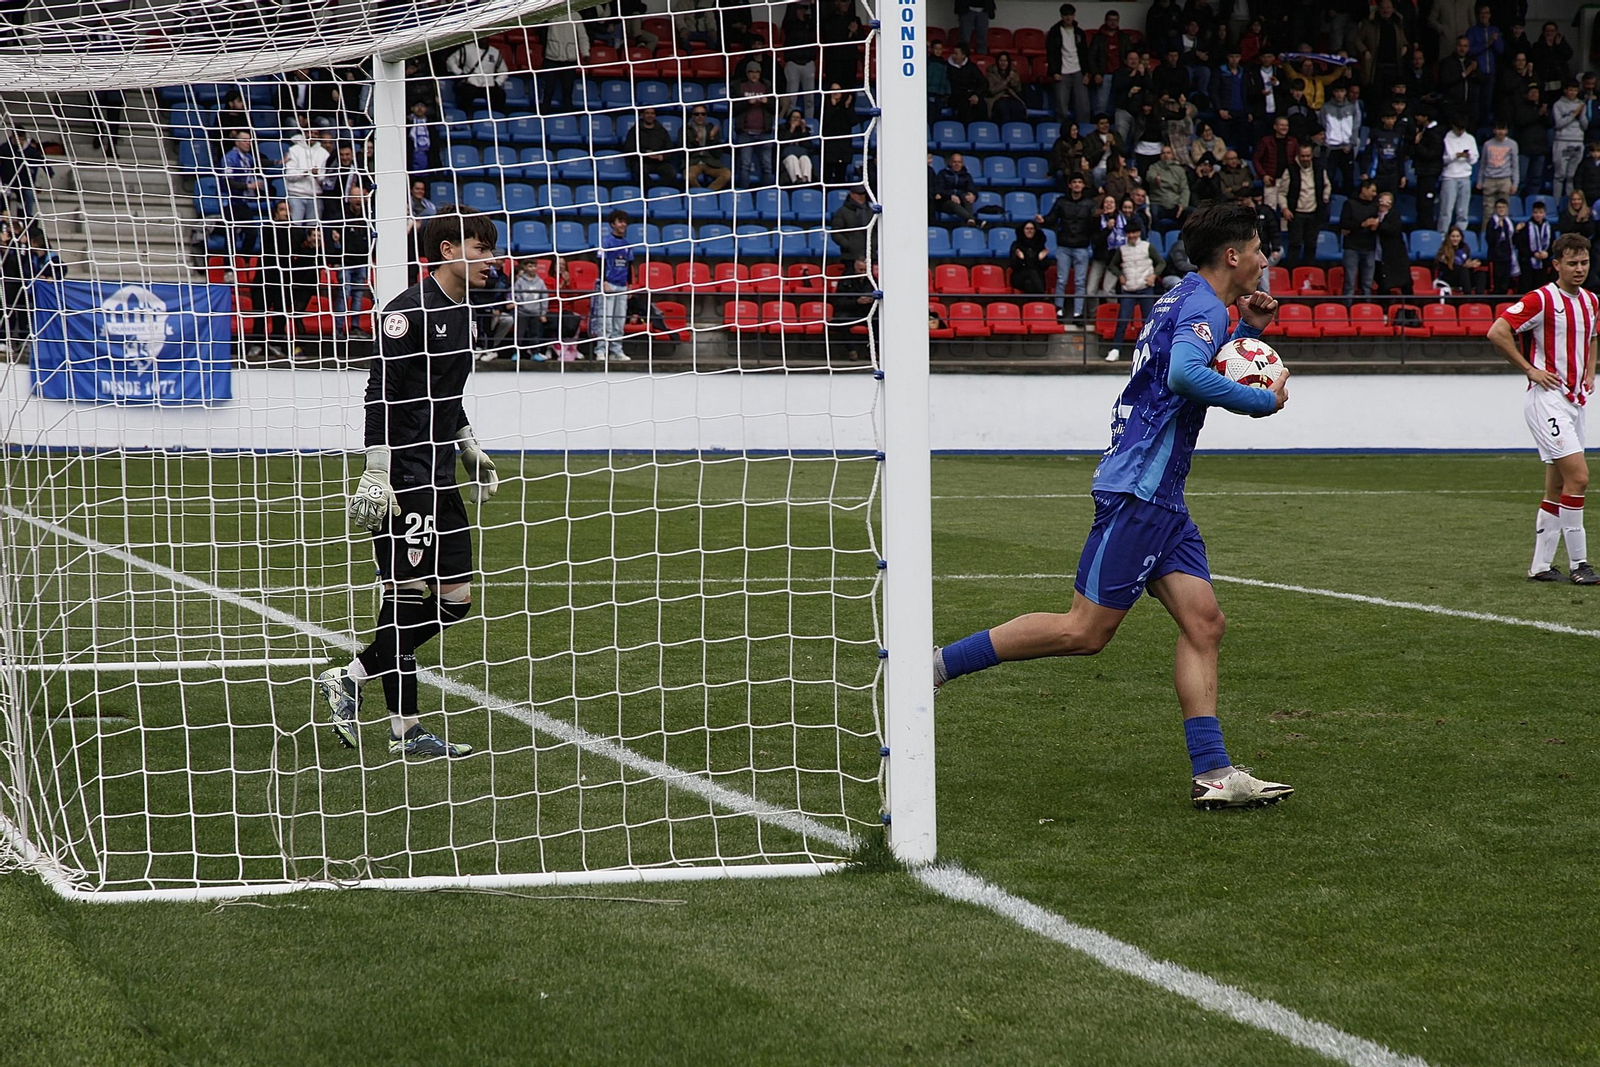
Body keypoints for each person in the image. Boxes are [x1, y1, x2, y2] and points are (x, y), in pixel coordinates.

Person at [931, 202, 1292, 810]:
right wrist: (1258, 403)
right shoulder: (1202, 304)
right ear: (1232, 255)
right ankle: (936, 666)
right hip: (1140, 491)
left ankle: (1213, 773)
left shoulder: (1186, 299)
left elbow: (1184, 366)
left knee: (1204, 622)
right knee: (1084, 631)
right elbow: (1182, 376)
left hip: (1163, 497)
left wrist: (1247, 333)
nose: (1264, 259)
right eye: (1258, 248)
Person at [317, 209, 502, 758]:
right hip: (404, 475)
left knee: (456, 599)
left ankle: (350, 676)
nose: (491, 261)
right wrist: (376, 469)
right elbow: (381, 392)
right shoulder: (406, 313)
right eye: (481, 248)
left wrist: (468, 445)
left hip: (441, 473)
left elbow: (446, 393)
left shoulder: (463, 312)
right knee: (402, 599)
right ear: (448, 251)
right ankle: (406, 732)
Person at [1485, 234, 1599, 584]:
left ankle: (1540, 567)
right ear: (1557, 265)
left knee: (1557, 487)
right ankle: (1580, 564)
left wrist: (1590, 371)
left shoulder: (1592, 302)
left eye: (1583, 262)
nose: (1579, 269)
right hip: (1545, 399)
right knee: (1579, 478)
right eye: (1571, 263)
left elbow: (1593, 336)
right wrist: (1530, 369)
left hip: (1574, 402)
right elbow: (1497, 330)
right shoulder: (1542, 299)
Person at [1103, 219, 1163, 361]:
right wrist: (1120, 276)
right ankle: (1115, 349)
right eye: (1128, 233)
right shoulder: (1121, 249)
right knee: (1122, 320)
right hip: (1128, 288)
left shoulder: (1147, 247)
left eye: (1134, 232)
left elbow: (1161, 262)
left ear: (1139, 233)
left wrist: (1154, 275)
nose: (1131, 235)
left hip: (1145, 287)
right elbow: (1113, 265)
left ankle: (1150, 352)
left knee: (1148, 322)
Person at [1281, 144, 1329, 267]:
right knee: (1295, 245)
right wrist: (1285, 208)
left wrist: (1325, 197)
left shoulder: (1320, 169)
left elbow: (1327, 185)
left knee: (1311, 245)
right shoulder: (1290, 170)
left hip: (1314, 214)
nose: (1305, 159)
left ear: (1312, 155)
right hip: (1296, 214)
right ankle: (1292, 274)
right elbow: (1281, 193)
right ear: (1298, 156)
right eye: (1302, 156)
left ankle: (1309, 274)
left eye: (1308, 156)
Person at [595, 209, 632, 362]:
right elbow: (600, 261)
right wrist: (603, 281)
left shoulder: (627, 244)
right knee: (606, 320)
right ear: (612, 224)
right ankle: (601, 350)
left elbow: (630, 265)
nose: (623, 224)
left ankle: (616, 350)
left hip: (622, 286)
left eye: (624, 221)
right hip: (609, 284)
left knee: (619, 320)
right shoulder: (605, 242)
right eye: (619, 221)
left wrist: (630, 284)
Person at [1046, 3, 1091, 125]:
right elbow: (1051, 54)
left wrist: (1086, 72)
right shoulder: (1054, 32)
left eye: (1070, 15)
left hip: (1078, 71)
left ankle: (1084, 133)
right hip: (1062, 72)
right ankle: (1063, 134)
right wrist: (1054, 71)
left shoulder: (1080, 33)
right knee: (1062, 108)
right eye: (1065, 15)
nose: (1068, 18)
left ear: (1074, 15)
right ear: (1061, 16)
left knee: (1084, 107)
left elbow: (1084, 54)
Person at [1339, 179, 1382, 295]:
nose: (1374, 194)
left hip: (1369, 248)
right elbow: (1344, 224)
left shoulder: (1375, 206)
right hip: (1352, 247)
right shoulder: (1349, 204)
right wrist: (1362, 224)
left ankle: (1367, 309)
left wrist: (1374, 226)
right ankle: (1347, 309)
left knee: (1368, 283)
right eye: (1372, 191)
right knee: (1350, 283)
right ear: (1364, 190)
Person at [446, 37, 509, 113]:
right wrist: (460, 73)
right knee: (465, 94)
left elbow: (504, 71)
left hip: (488, 85)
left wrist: (497, 82)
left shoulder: (495, 52)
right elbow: (450, 61)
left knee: (500, 94)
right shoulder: (467, 49)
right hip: (470, 83)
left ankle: (496, 118)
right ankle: (463, 117)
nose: (483, 40)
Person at [623, 106, 680, 187]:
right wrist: (645, 154)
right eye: (647, 113)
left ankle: (658, 189)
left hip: (659, 162)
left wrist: (661, 157)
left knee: (671, 173)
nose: (650, 115)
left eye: (652, 113)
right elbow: (629, 149)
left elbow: (670, 149)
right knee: (639, 171)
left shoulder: (662, 131)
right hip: (642, 161)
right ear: (642, 115)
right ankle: (651, 191)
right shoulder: (634, 130)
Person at [1439, 117, 1478, 235]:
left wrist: (1468, 156)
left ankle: (1461, 234)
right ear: (1453, 126)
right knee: (1446, 209)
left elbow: (1475, 158)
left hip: (1465, 176)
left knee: (1463, 210)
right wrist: (1456, 156)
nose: (1460, 132)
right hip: (1450, 176)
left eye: (1462, 129)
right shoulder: (1446, 138)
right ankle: (1442, 234)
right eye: (1458, 129)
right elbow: (1443, 159)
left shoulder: (1470, 138)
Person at [781, 0, 819, 118]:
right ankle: (789, 121)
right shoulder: (790, 24)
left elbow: (818, 21)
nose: (802, 10)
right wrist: (792, 3)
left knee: (810, 99)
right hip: (793, 63)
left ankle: (810, 123)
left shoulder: (810, 24)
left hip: (808, 63)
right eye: (799, 8)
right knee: (791, 98)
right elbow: (788, 17)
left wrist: (813, 5)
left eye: (804, 8)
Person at [281, 126, 328, 224]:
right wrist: (305, 173)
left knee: (313, 229)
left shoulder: (324, 154)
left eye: (315, 133)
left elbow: (324, 180)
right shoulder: (294, 150)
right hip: (296, 195)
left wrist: (316, 176)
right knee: (295, 228)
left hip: (315, 197)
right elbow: (289, 175)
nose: (312, 136)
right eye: (310, 133)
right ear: (305, 133)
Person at [1477, 122, 1519, 230]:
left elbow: (1515, 165)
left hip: (1505, 179)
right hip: (1490, 179)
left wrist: (1515, 183)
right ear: (1494, 130)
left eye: (1503, 129)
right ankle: (1485, 238)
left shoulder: (1512, 144)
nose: (1500, 132)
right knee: (1488, 212)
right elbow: (1483, 164)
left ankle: (1504, 236)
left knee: (1503, 211)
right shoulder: (1487, 144)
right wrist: (1479, 181)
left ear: (1507, 131)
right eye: (1498, 129)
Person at [1552, 82, 1589, 201]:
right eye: (1570, 90)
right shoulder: (1558, 104)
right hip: (1562, 141)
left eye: (1575, 90)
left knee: (1571, 177)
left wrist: (1581, 114)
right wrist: (1574, 114)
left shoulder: (1581, 104)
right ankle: (1556, 204)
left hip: (1577, 141)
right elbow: (1558, 124)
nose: (1572, 93)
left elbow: (1585, 126)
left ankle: (1570, 205)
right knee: (1559, 176)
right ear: (1565, 90)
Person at [1375, 191, 1414, 294]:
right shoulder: (1373, 214)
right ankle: (1384, 307)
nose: (1384, 204)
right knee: (1382, 282)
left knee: (1404, 282)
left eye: (1387, 202)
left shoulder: (1394, 215)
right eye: (1382, 201)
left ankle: (1410, 306)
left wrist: (1378, 225)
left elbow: (1393, 229)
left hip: (1394, 255)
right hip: (1378, 254)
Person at [684, 106, 733, 190]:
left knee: (727, 174)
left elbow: (717, 153)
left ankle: (707, 193)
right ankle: (700, 193)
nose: (700, 116)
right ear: (692, 116)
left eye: (703, 114)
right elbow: (683, 152)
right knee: (689, 176)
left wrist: (712, 138)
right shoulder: (685, 130)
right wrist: (696, 141)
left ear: (706, 116)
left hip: (710, 162)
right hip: (693, 162)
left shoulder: (712, 129)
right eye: (697, 114)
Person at [511, 259, 550, 360]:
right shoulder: (519, 281)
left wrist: (543, 313)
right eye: (530, 266)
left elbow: (544, 298)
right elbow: (515, 295)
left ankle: (535, 353)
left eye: (534, 266)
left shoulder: (540, 282)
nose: (532, 269)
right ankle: (517, 352)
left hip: (536, 312)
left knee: (535, 334)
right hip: (522, 312)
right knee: (519, 334)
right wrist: (519, 304)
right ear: (525, 267)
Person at [1144, 144, 1190, 228]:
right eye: (1163, 153)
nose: (1165, 155)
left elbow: (1184, 189)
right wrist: (1155, 178)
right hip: (1158, 203)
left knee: (1192, 213)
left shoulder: (1179, 170)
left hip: (1175, 204)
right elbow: (1149, 177)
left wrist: (1182, 205)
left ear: (1172, 155)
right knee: (1152, 213)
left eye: (1168, 153)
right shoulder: (1154, 167)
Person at [821, 85, 856, 185]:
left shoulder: (846, 106)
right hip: (830, 146)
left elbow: (853, 122)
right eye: (833, 90)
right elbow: (824, 121)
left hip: (843, 146)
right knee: (827, 175)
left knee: (840, 175)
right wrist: (832, 105)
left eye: (838, 90)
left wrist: (846, 107)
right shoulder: (825, 105)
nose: (835, 92)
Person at [1436, 225, 1487, 292]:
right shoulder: (1444, 250)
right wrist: (1464, 266)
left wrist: (1472, 265)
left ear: (1461, 237)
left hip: (1463, 277)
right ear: (1449, 237)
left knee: (1481, 274)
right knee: (1463, 271)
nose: (1455, 239)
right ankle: (1467, 296)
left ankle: (1479, 298)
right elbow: (1446, 268)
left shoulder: (1465, 247)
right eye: (1453, 236)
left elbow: (1467, 265)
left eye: (1457, 236)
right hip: (1449, 277)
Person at [945, 44, 986, 124]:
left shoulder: (971, 67)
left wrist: (976, 94)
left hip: (971, 94)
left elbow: (983, 82)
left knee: (982, 105)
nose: (953, 55)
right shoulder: (947, 67)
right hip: (955, 95)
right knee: (964, 107)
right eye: (953, 53)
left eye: (956, 54)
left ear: (963, 55)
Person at [1516, 201, 1554, 287]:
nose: (1538, 215)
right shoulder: (1526, 227)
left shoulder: (1549, 227)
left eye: (1540, 212)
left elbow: (1553, 243)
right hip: (1528, 263)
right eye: (1536, 212)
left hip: (1543, 263)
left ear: (1544, 214)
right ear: (1532, 213)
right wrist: (1533, 254)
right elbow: (1520, 245)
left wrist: (1548, 253)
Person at [1485, 198, 1520, 292]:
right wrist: (1499, 229)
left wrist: (1517, 231)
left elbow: (1513, 240)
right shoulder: (1492, 222)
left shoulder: (1509, 222)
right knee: (1496, 283)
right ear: (1496, 209)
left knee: (1505, 283)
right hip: (1496, 257)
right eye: (1499, 207)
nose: (1501, 209)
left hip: (1507, 256)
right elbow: (1490, 240)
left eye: (1503, 207)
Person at [831, 184, 873, 263]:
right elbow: (835, 232)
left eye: (863, 194)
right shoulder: (842, 212)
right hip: (849, 256)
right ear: (851, 194)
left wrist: (874, 245)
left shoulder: (871, 211)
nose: (861, 197)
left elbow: (876, 231)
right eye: (858, 194)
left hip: (870, 255)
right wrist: (849, 245)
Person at [985, 52, 1027, 125]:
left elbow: (1018, 89)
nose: (1003, 63)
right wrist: (1007, 80)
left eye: (1005, 61)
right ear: (997, 62)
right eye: (1001, 60)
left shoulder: (1013, 73)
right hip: (997, 99)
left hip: (1012, 98)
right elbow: (992, 91)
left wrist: (1014, 80)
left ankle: (1016, 130)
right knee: (1003, 109)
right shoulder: (990, 74)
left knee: (1018, 108)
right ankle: (1004, 131)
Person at [1009, 220, 1049, 293]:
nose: (1029, 231)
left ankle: (1032, 303)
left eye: (1031, 229)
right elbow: (1013, 266)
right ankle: (1043, 297)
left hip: (1037, 277)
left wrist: (1040, 260)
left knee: (1029, 283)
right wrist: (1021, 260)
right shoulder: (1016, 245)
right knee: (1031, 272)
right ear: (1023, 230)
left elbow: (1045, 267)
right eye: (1027, 229)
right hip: (1019, 276)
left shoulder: (1039, 245)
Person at [778, 109, 817, 185]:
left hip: (801, 155)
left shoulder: (805, 130)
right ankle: (797, 180)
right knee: (792, 158)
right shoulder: (782, 128)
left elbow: (808, 146)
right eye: (793, 117)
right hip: (786, 157)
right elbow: (782, 144)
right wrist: (791, 130)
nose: (796, 119)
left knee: (805, 158)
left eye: (798, 118)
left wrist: (803, 130)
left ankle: (806, 180)